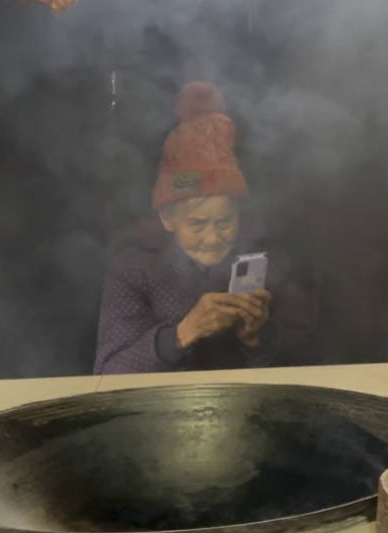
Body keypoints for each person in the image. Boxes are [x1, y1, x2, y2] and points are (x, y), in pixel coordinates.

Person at [94, 82, 314, 374]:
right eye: (197, 224)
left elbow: (310, 365)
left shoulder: (271, 265)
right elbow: (108, 373)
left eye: (225, 221)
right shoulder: (133, 269)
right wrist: (182, 333)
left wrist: (255, 338)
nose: (213, 238)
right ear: (168, 219)